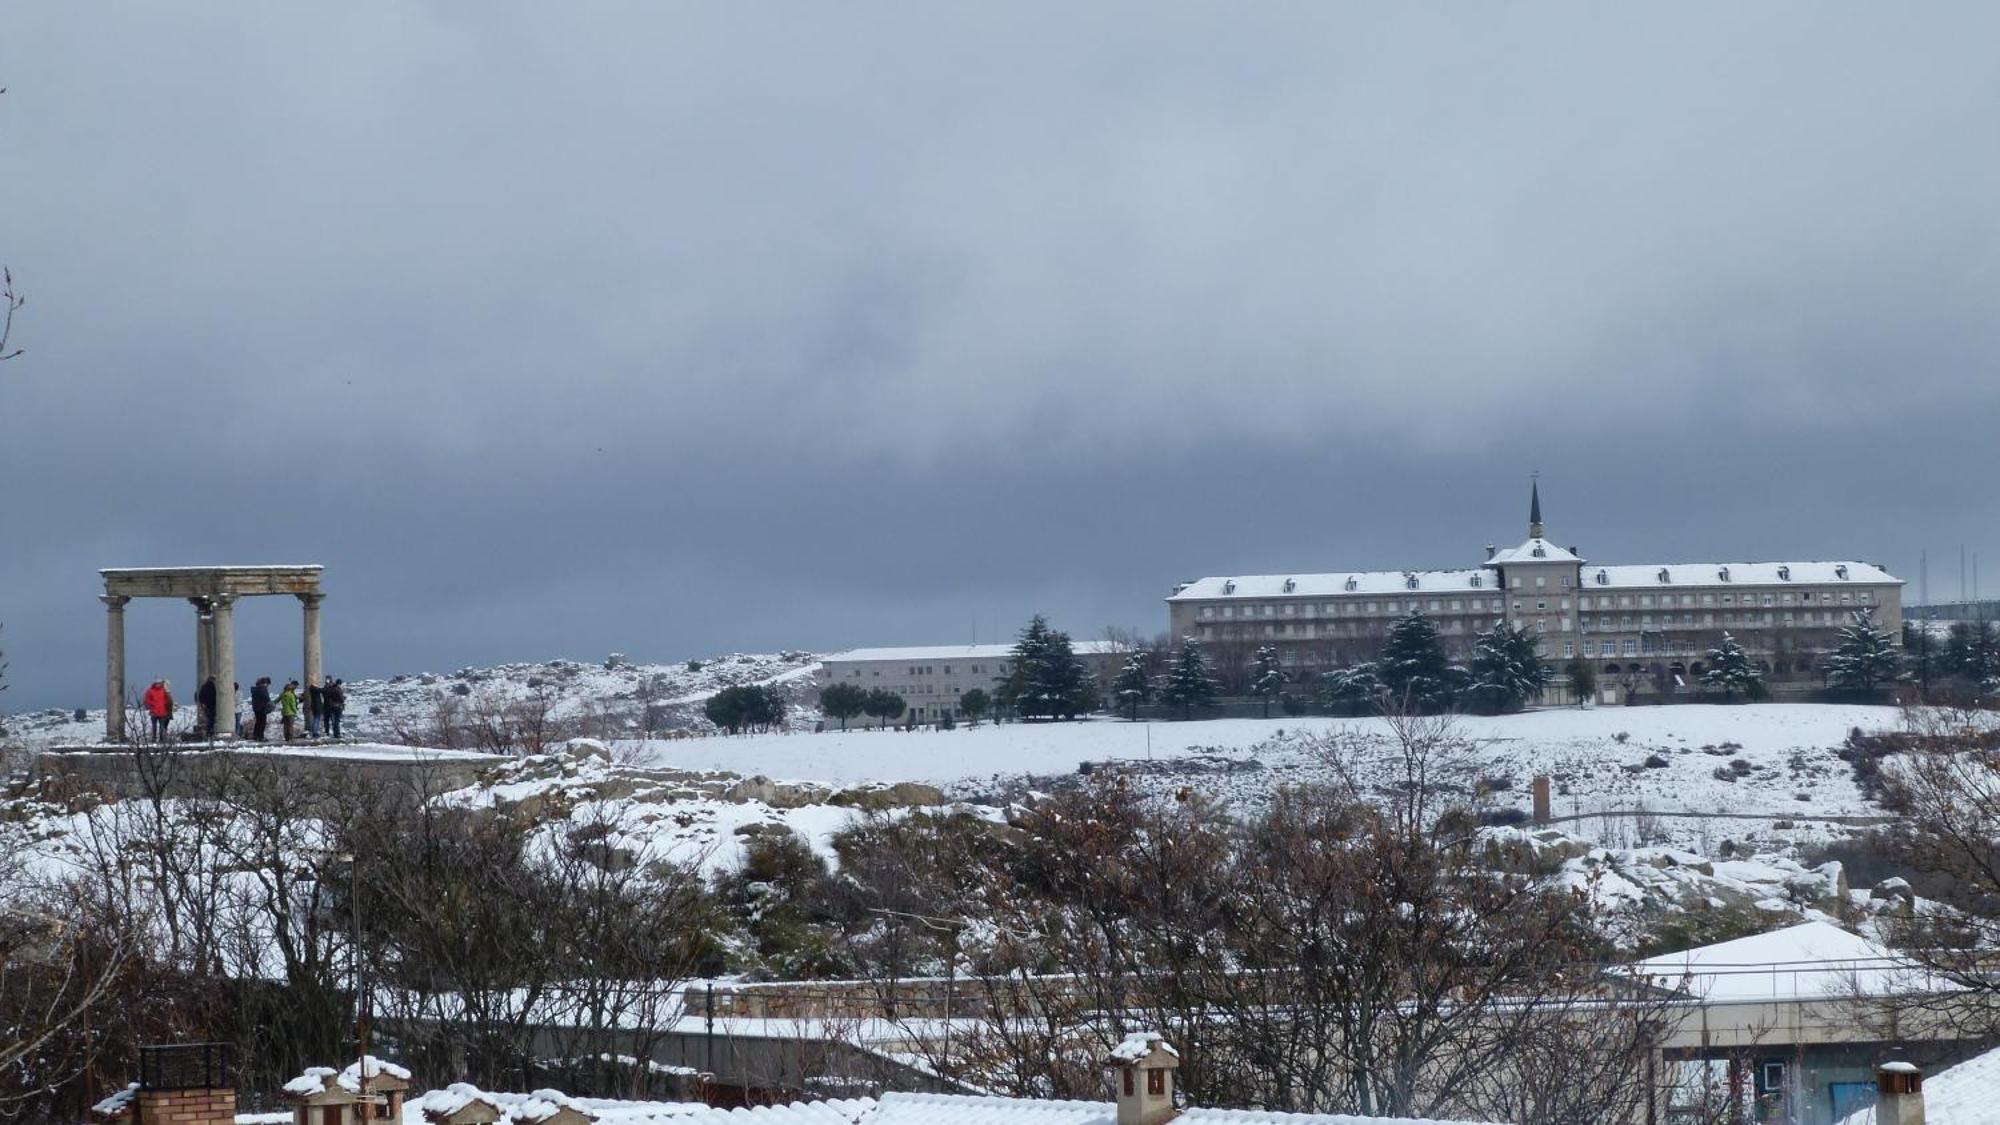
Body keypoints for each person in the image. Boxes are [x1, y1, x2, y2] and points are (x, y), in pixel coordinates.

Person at [250, 676, 274, 741]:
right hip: (262, 708)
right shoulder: (263, 688)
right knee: (262, 722)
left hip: (256, 708)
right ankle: (261, 736)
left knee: (258, 722)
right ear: (266, 683)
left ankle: (255, 735)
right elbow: (266, 697)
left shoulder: (255, 689)